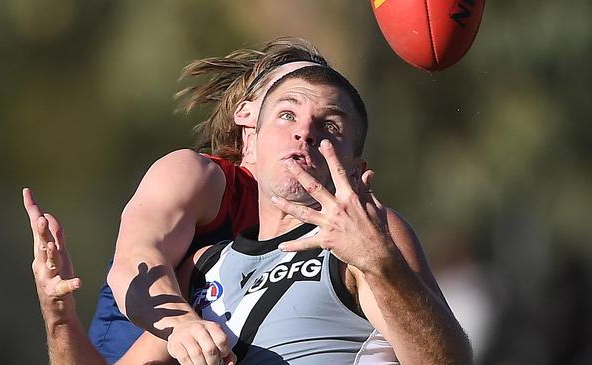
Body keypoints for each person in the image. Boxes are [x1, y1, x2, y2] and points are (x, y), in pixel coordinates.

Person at [27, 62, 473, 364]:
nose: (304, 132)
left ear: (357, 168)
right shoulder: (207, 265)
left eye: (330, 126)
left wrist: (382, 265)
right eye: (286, 114)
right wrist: (60, 316)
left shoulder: (367, 240)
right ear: (250, 141)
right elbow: (136, 262)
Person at [84, 38, 328, 364]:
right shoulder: (199, 176)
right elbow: (135, 261)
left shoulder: (328, 224)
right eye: (288, 106)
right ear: (247, 113)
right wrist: (182, 326)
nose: (305, 124)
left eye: (325, 115)